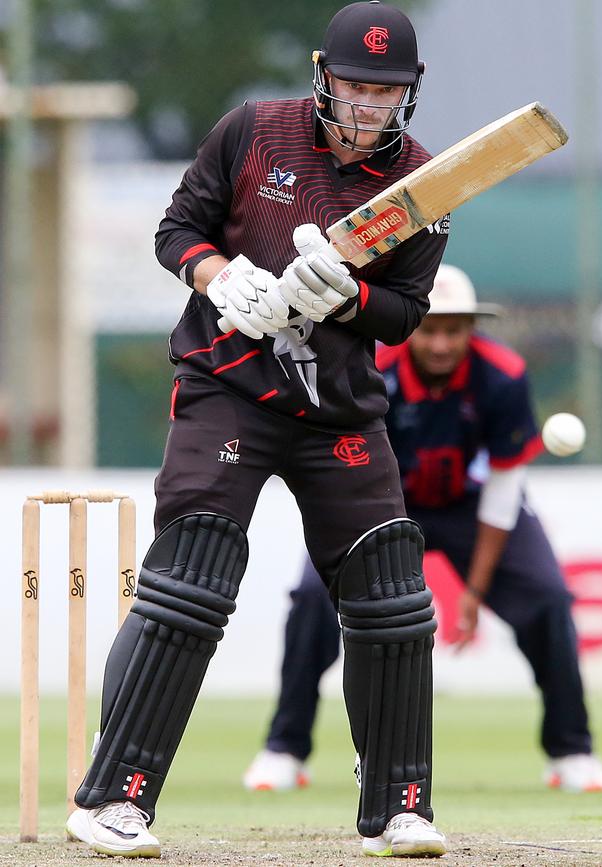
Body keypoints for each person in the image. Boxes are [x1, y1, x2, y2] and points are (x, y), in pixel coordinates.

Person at [65, 2, 450, 859]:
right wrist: (219, 277)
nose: (365, 106)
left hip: (338, 411)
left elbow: (403, 315)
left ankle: (400, 806)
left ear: (408, 95)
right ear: (323, 76)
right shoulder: (255, 133)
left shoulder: (421, 184)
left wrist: (346, 297)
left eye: (383, 93)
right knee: (193, 577)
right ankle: (114, 798)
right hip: (228, 384)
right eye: (352, 85)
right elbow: (177, 229)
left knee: (391, 593)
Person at [244, 264, 602, 795]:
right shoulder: (373, 367)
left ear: (472, 330)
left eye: (454, 329)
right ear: (412, 326)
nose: (441, 343)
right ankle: (285, 748)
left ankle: (572, 749)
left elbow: (505, 487)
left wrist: (475, 591)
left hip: (471, 505)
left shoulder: (503, 375)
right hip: (378, 502)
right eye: (431, 328)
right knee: (311, 598)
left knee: (550, 599)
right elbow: (340, 461)